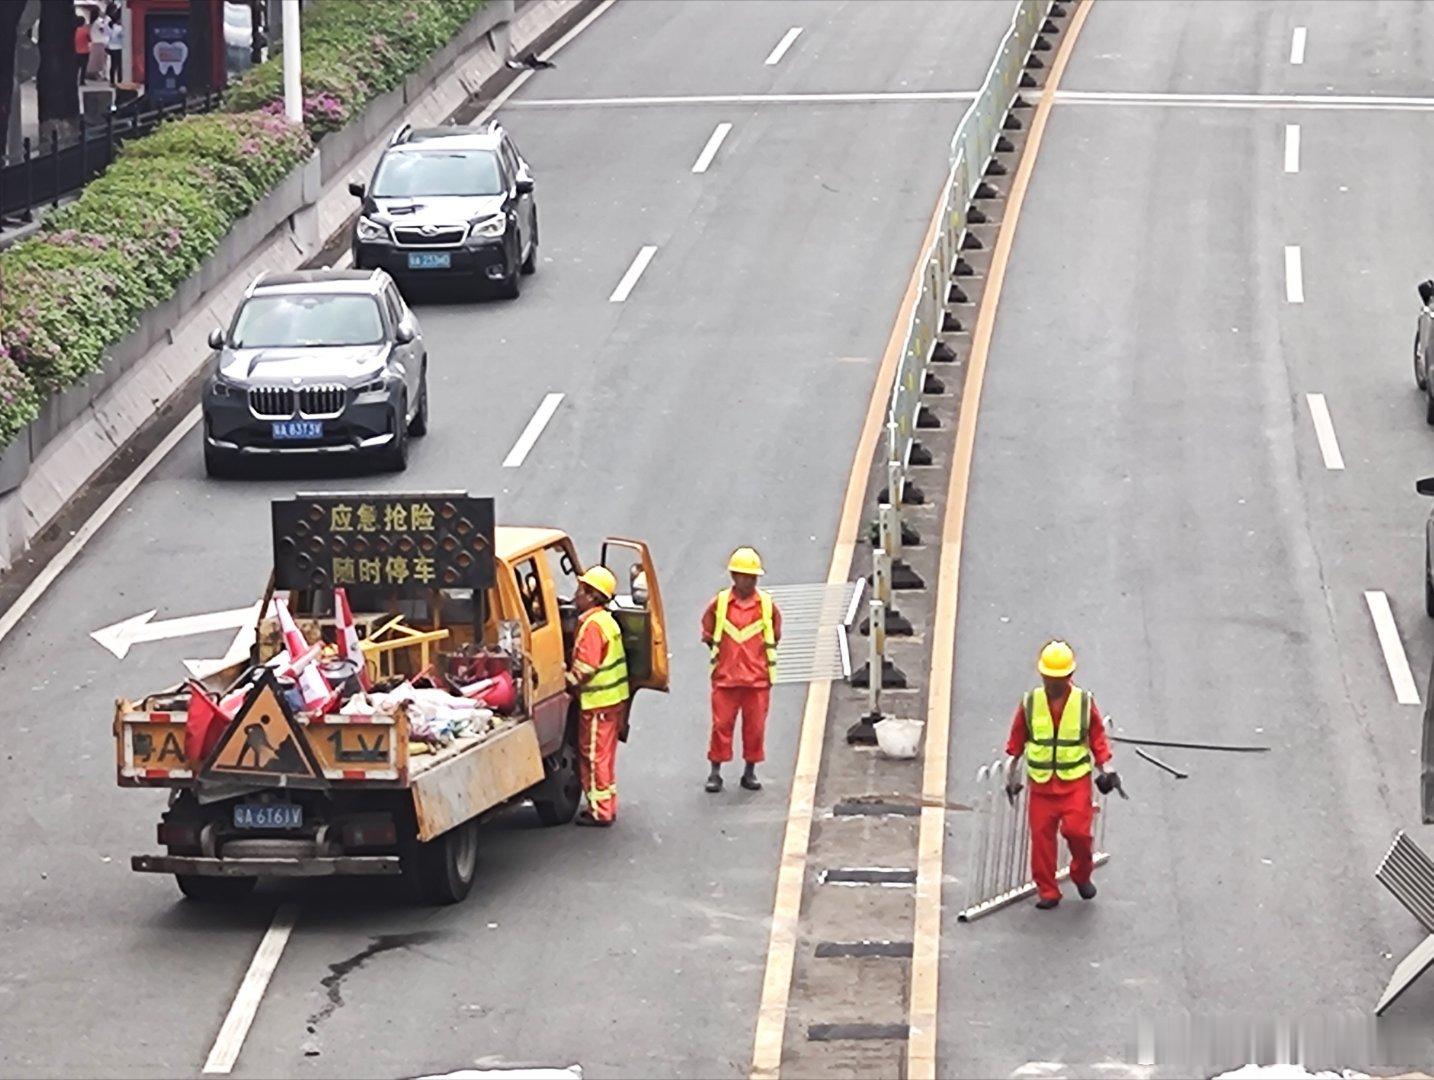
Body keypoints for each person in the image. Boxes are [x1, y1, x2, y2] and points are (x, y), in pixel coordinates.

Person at [1004, 640, 1120, 910]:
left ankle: (1081, 873)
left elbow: (1097, 737)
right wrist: (1011, 777)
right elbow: (1016, 742)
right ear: (1042, 675)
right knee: (1042, 839)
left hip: (1074, 784)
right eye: (1049, 678)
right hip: (1042, 785)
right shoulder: (1031, 702)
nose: (1053, 683)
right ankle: (1047, 890)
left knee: (1077, 832)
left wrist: (1106, 768)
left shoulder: (1082, 702)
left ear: (1069, 676)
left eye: (1058, 678)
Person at [702, 547, 781, 793]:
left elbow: (775, 634)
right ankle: (715, 772)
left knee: (755, 729)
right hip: (726, 679)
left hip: (757, 681)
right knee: (720, 726)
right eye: (744, 576)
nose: (748, 581)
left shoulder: (766, 605)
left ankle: (750, 772)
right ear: (734, 576)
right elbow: (708, 630)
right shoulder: (721, 603)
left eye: (752, 576)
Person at [565, 566, 629, 827]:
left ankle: (600, 811)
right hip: (612, 702)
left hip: (597, 704)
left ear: (592, 596)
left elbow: (586, 668)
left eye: (581, 591)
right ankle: (607, 805)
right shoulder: (607, 621)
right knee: (605, 756)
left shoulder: (592, 626)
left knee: (593, 756)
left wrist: (564, 681)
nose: (576, 596)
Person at [86, 10, 109, 84]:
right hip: (99, 43)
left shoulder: (93, 23)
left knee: (95, 60)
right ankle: (96, 74)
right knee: (99, 61)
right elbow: (104, 29)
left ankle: (94, 73)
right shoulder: (98, 23)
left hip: (95, 43)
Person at [106, 7, 124, 85]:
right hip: (119, 47)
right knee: (119, 66)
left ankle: (112, 81)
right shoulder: (120, 28)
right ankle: (120, 81)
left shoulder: (111, 26)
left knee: (113, 65)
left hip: (111, 47)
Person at [74, 15, 90, 85]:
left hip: (76, 51)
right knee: (84, 68)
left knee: (76, 68)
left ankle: (74, 80)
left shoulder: (73, 31)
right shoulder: (85, 31)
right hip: (85, 51)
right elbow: (89, 39)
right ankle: (82, 81)